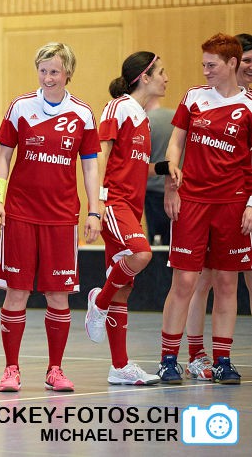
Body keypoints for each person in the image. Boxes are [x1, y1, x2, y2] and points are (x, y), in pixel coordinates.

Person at [0, 42, 101, 393]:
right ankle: (11, 369)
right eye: (43, 70)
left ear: (68, 73)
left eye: (55, 71)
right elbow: (2, 158)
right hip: (20, 214)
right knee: (16, 292)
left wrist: (94, 209)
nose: (48, 77)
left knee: (58, 296)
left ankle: (55, 369)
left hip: (62, 217)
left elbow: (91, 166)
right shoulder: (20, 107)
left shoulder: (83, 113)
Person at [158, 33, 252, 385]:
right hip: (193, 201)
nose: (206, 70)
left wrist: (251, 204)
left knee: (227, 282)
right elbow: (175, 143)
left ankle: (223, 360)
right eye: (204, 65)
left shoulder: (249, 106)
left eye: (212, 65)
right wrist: (171, 181)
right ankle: (169, 359)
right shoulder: (194, 97)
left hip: (232, 204)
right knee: (185, 280)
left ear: (232, 63)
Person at [84, 52, 169, 385]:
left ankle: (119, 367)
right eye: (161, 72)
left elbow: (135, 167)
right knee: (141, 254)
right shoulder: (118, 107)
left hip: (132, 207)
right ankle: (98, 301)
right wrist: (97, 203)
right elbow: (100, 155)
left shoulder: (143, 118)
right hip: (114, 203)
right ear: (144, 77)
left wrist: (165, 168)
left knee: (124, 288)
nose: (166, 78)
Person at [144, 100, 175, 246]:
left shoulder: (144, 123)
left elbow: (139, 162)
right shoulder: (176, 118)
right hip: (178, 186)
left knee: (158, 243)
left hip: (154, 190)